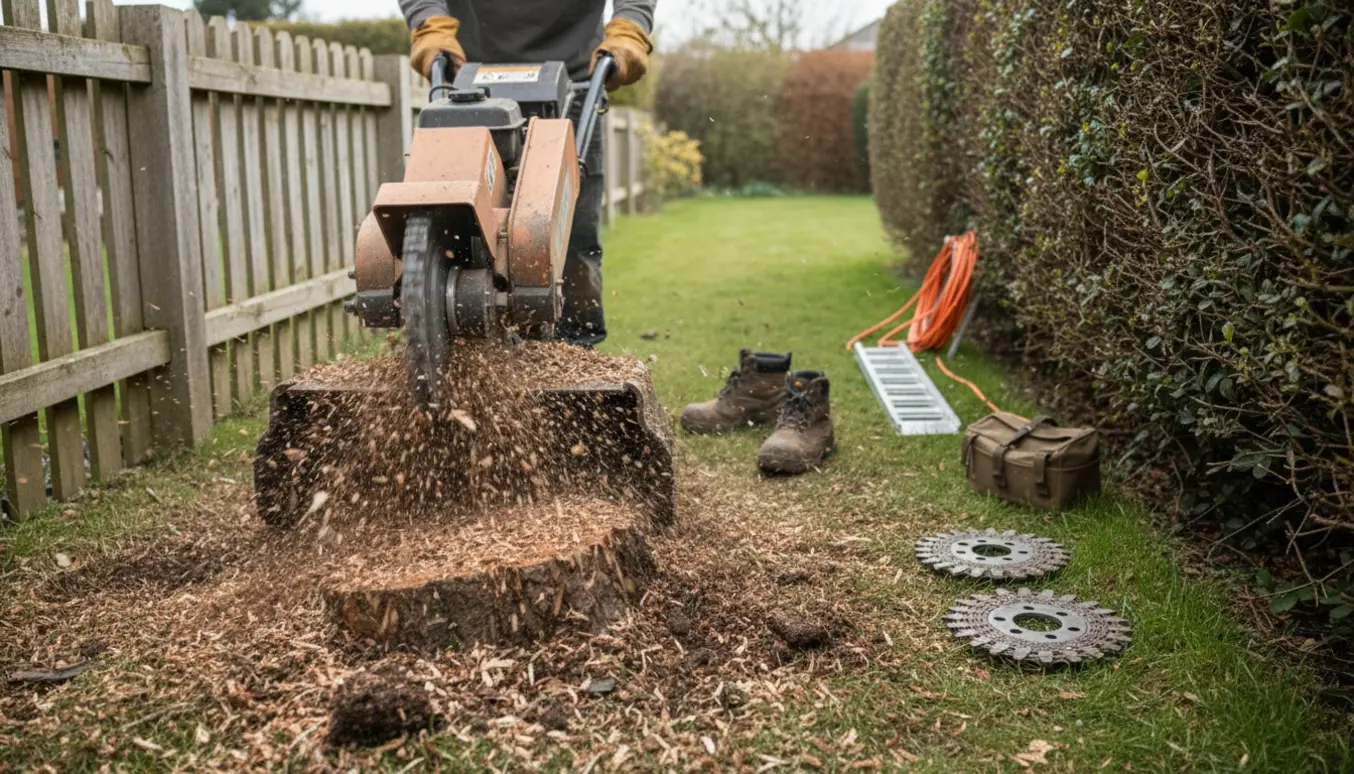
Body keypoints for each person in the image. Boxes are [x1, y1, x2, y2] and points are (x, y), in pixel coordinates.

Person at [397, 0, 656, 347]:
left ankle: (575, 354)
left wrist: (630, 26)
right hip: (471, 85)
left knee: (572, 232)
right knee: (457, 214)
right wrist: (429, 24)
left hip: (574, 81)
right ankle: (463, 347)